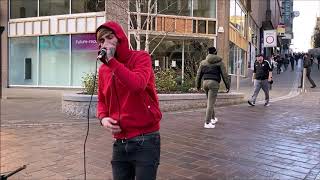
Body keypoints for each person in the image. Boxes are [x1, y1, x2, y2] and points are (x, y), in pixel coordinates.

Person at [96, 21, 162, 180]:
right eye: (101, 41)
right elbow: (102, 99)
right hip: (120, 142)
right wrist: (103, 118)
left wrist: (112, 62)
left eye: (109, 37)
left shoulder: (141, 58)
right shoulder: (104, 70)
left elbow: (137, 85)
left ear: (119, 38)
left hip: (145, 139)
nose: (105, 43)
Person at [195, 47, 230, 129]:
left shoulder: (203, 62)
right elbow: (224, 75)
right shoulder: (220, 62)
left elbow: (198, 75)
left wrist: (197, 86)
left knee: (210, 101)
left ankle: (213, 118)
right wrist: (227, 86)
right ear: (215, 52)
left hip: (205, 83)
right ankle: (207, 123)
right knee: (211, 103)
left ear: (208, 53)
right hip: (213, 83)